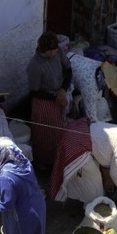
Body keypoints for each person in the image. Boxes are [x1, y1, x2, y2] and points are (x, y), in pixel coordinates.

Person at [27, 31, 72, 168]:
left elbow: (68, 70)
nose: (53, 54)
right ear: (42, 50)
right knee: (44, 135)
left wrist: (63, 89)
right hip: (43, 100)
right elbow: (34, 92)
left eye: (54, 50)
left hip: (59, 94)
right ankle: (43, 164)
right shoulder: (35, 65)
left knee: (58, 132)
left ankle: (58, 160)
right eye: (49, 52)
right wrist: (55, 97)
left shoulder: (58, 53)